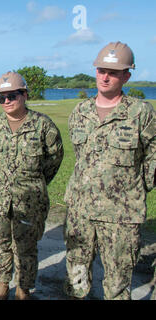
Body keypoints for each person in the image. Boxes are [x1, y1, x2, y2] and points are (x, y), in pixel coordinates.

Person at [64, 41, 155, 300]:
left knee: (117, 283)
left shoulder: (140, 113)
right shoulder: (80, 112)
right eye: (101, 70)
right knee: (76, 276)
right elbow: (80, 156)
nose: (105, 77)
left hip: (121, 216)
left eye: (113, 72)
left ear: (126, 75)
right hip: (80, 212)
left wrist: (136, 188)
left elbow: (153, 154)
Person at [0, 72, 64, 300]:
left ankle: (23, 288)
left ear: (24, 95)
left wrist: (33, 182)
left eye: (12, 95)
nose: (6, 101)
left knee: (26, 248)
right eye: (1, 97)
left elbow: (54, 159)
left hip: (29, 201)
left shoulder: (43, 126)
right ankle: (1, 285)